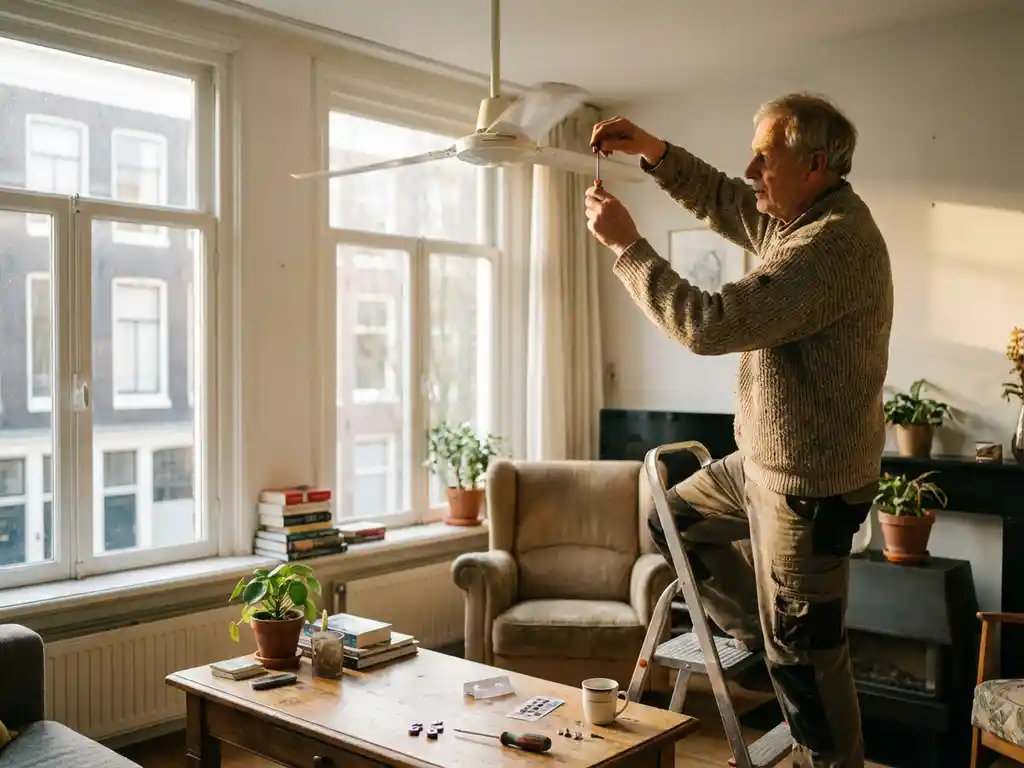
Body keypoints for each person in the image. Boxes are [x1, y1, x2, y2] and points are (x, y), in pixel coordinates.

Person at [584, 93, 893, 768]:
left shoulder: (830, 245)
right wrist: (655, 152)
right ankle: (763, 636)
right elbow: (726, 199)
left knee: (809, 671)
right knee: (673, 519)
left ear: (815, 164)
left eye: (764, 156)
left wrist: (629, 248)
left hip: (807, 488)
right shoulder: (795, 214)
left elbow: (709, 324)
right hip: (758, 464)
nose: (750, 169)